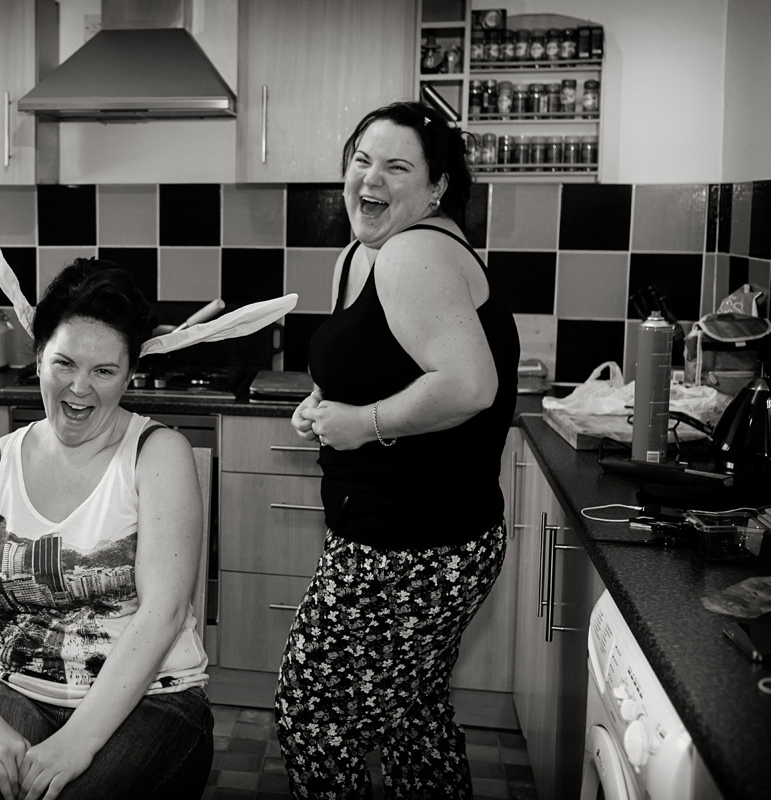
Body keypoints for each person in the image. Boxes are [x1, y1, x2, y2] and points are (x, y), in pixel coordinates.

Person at [277, 101, 520, 799]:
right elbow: (368, 364)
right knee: (408, 717)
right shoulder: (366, 250)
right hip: (407, 533)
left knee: (312, 715)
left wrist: (367, 423)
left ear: (437, 186)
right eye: (361, 160)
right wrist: (324, 410)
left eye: (396, 166)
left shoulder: (415, 251)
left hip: (413, 543)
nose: (369, 179)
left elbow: (470, 386)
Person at [0, 260, 213, 800]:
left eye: (104, 370)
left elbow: (164, 611)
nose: (80, 388)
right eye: (64, 363)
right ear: (37, 360)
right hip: (16, 688)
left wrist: (79, 738)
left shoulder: (158, 454)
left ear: (129, 374)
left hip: (154, 697)